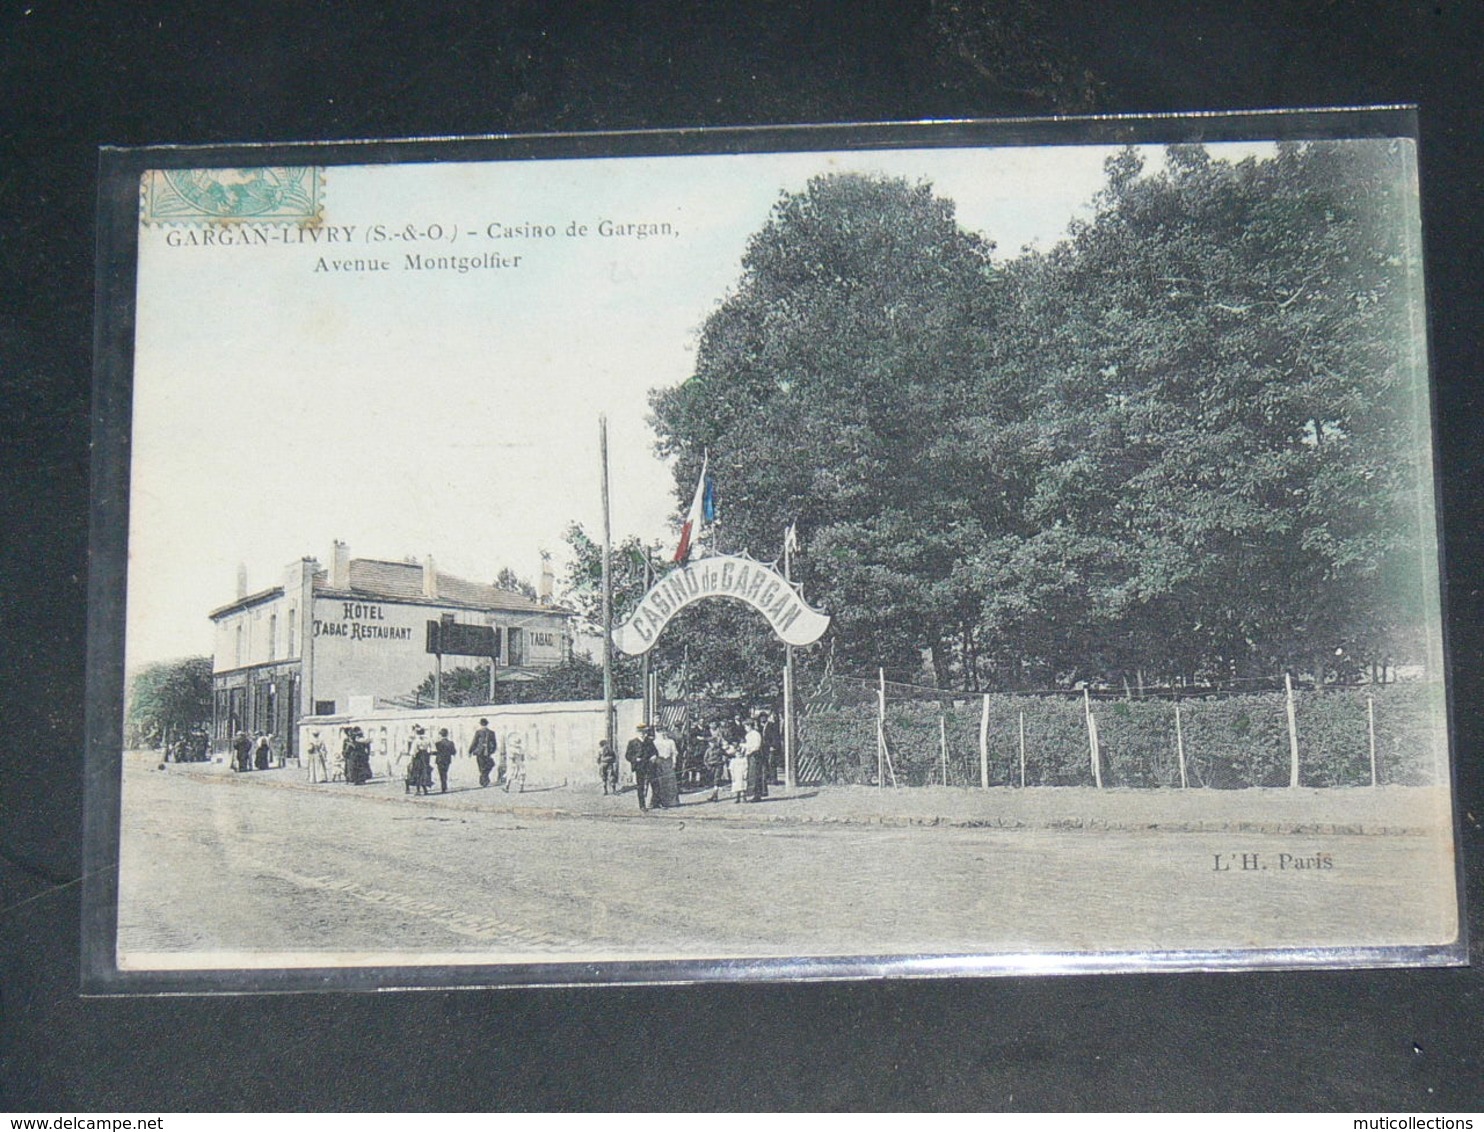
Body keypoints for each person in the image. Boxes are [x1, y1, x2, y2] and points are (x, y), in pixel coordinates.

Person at [624, 723, 656, 811]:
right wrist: (635, 759)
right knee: (640, 786)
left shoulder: (649, 742)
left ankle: (653, 802)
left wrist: (654, 756)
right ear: (637, 732)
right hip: (639, 767)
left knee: (653, 784)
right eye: (640, 732)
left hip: (649, 766)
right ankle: (642, 805)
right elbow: (627, 755)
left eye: (644, 732)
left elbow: (655, 752)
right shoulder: (632, 742)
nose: (642, 734)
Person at [652, 726, 680, 808]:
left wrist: (674, 762)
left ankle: (671, 802)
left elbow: (674, 753)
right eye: (661, 732)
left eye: (665, 731)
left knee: (670, 782)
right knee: (660, 782)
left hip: (668, 762)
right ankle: (660, 801)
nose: (663, 733)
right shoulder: (655, 742)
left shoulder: (671, 742)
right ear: (658, 733)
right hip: (659, 762)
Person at [470, 718, 497, 787]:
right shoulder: (491, 732)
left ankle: (483, 779)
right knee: (487, 765)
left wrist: (470, 750)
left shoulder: (478, 732)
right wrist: (492, 750)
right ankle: (485, 779)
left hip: (479, 752)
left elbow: (474, 742)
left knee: (482, 766)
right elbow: (494, 743)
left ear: (481, 724)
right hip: (487, 752)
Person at [407, 726, 433, 795]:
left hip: (418, 757)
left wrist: (412, 759)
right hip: (425, 756)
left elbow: (413, 751)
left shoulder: (416, 740)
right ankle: (425, 790)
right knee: (425, 772)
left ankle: (418, 790)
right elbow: (432, 749)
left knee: (417, 773)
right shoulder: (428, 739)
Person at [743, 717, 764, 802]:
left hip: (755, 755)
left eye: (746, 726)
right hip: (750, 755)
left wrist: (745, 746)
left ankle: (757, 794)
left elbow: (756, 746)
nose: (745, 728)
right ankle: (753, 794)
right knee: (751, 775)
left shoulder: (755, 734)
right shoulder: (748, 735)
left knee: (755, 774)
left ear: (749, 726)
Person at [760, 710, 783, 788]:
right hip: (764, 748)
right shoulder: (760, 727)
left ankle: (774, 779)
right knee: (765, 763)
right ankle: (768, 778)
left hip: (771, 748)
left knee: (772, 763)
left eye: (764, 717)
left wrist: (773, 746)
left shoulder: (771, 725)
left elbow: (775, 736)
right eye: (761, 717)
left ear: (766, 718)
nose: (762, 719)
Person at [434, 728, 456, 794]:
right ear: (447, 734)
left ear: (440, 735)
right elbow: (453, 752)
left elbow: (435, 752)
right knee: (445, 772)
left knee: (441, 773)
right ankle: (444, 786)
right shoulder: (451, 743)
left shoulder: (437, 743)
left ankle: (443, 787)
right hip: (447, 760)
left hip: (440, 760)